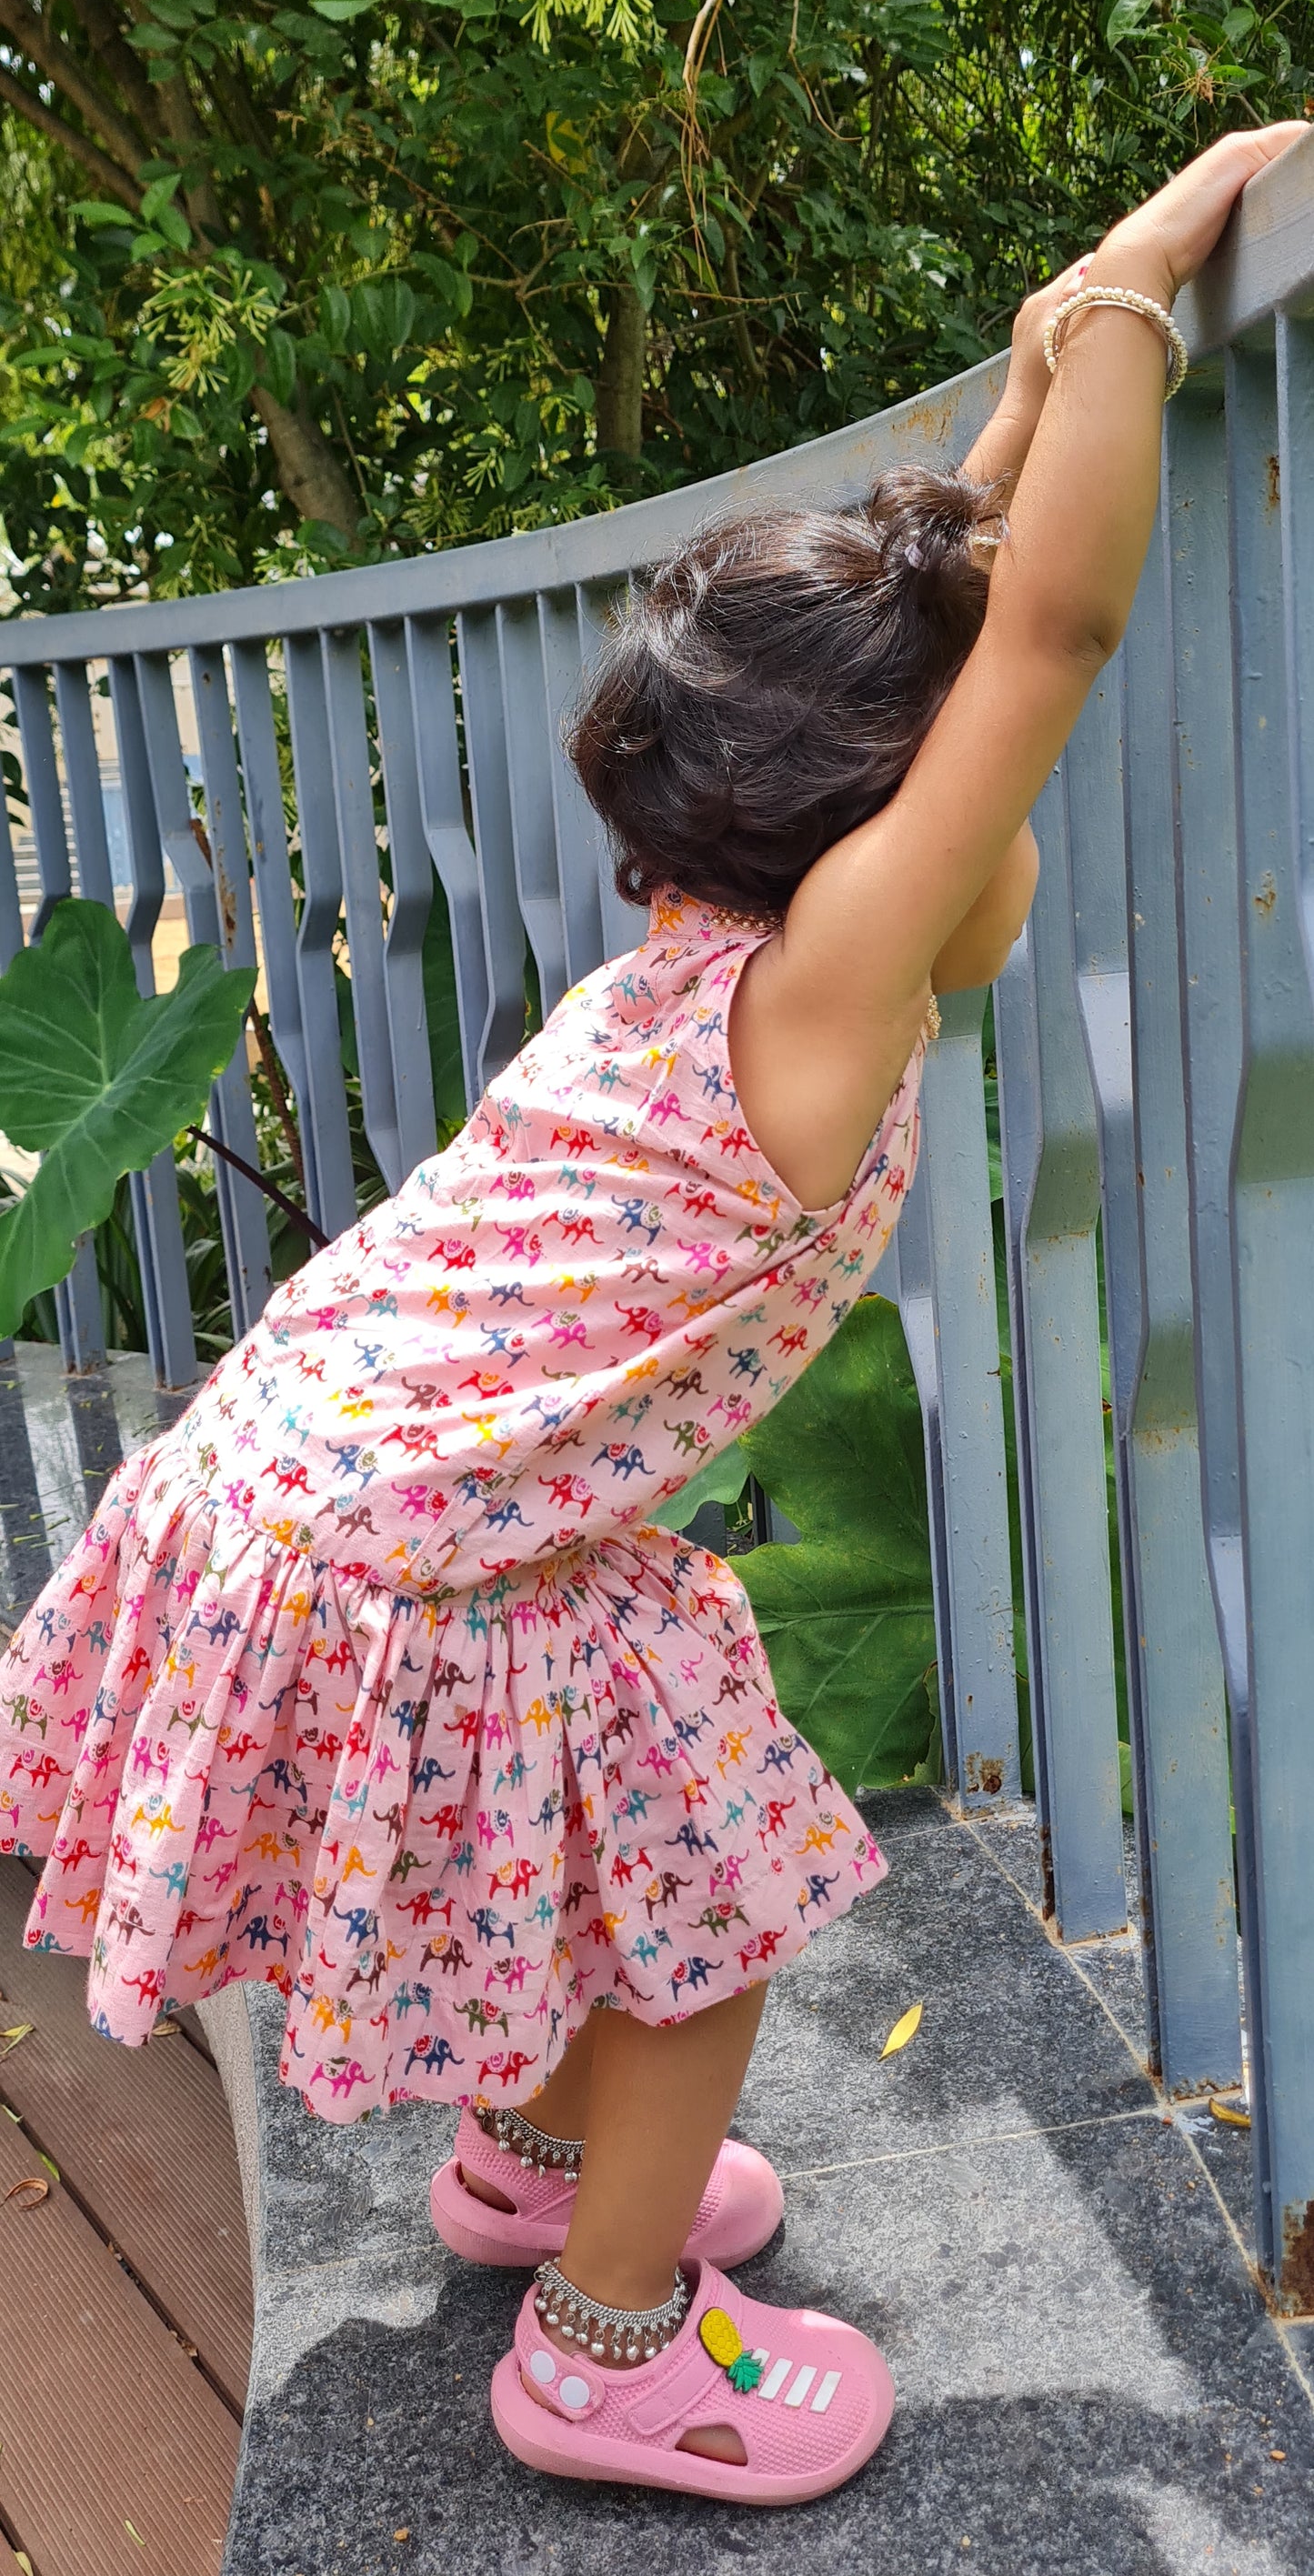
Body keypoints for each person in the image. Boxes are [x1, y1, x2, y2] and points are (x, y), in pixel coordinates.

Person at [0, 124, 1302, 2508]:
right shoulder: (828, 1003)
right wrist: (1120, 288)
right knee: (693, 1928)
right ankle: (601, 2346)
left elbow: (945, 624)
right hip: (421, 1552)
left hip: (304, 1477)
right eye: (962, 811)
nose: (994, 837)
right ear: (879, 830)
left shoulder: (711, 944)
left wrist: (1014, 404)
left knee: (579, 1848)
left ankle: (523, 2165)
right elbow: (1051, 639)